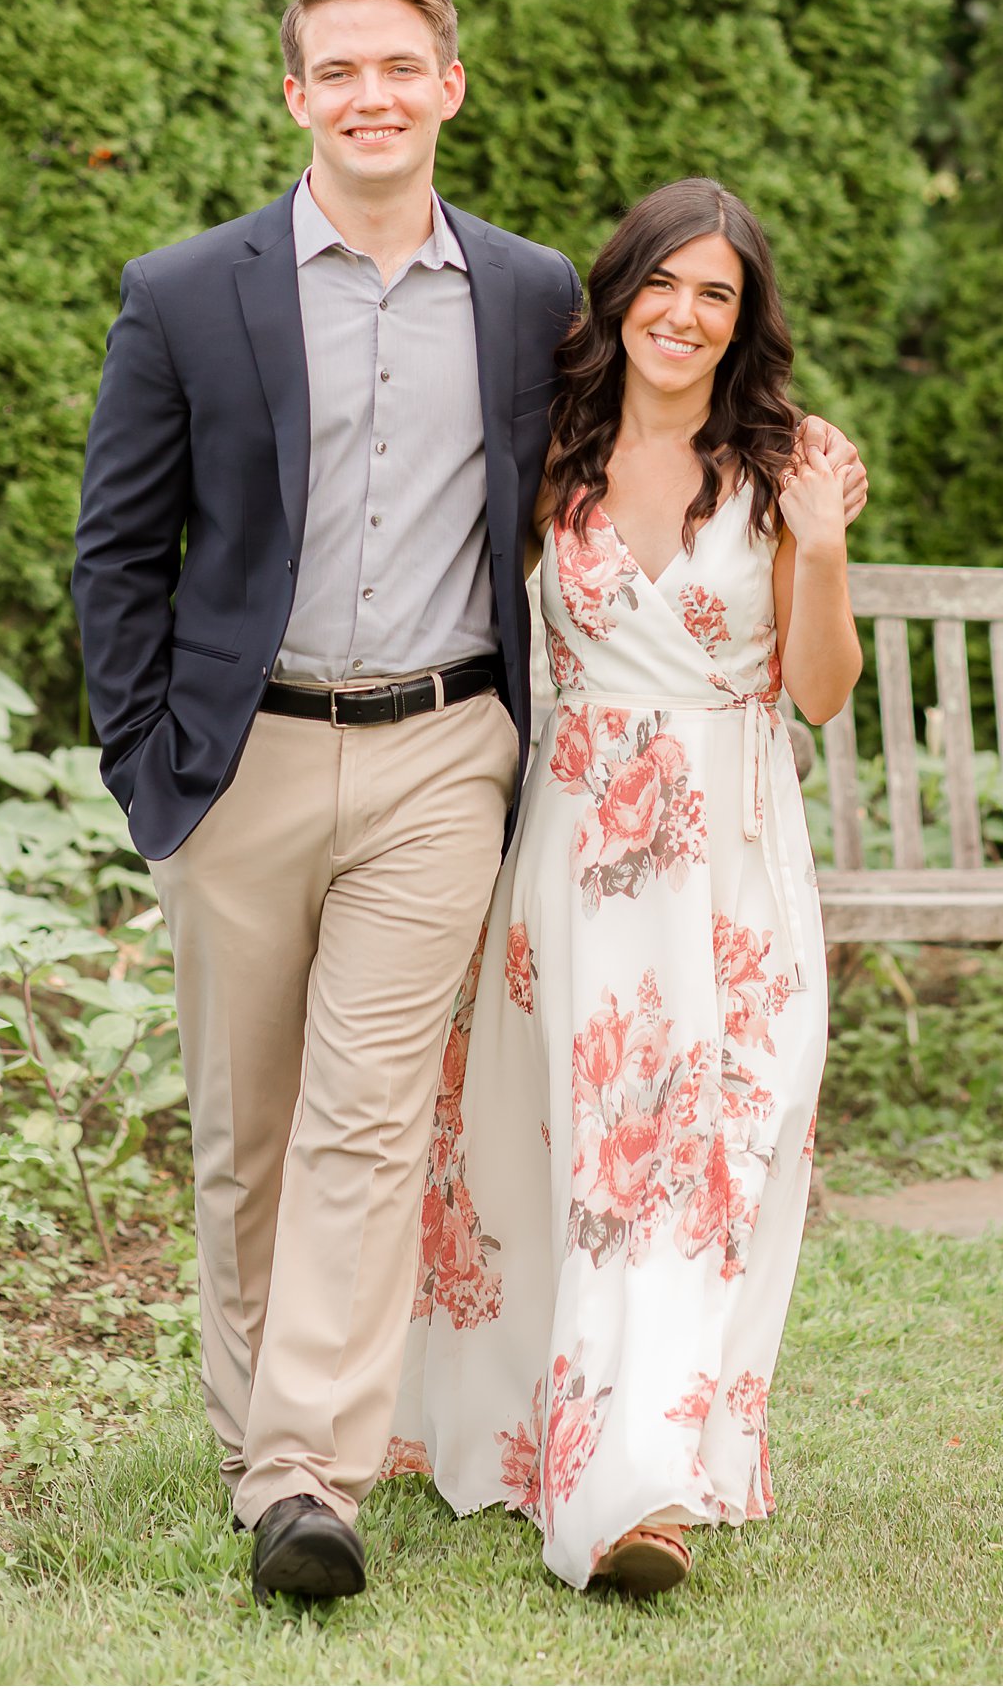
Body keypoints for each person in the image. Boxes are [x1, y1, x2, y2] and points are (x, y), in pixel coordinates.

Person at [72, 0, 866, 1604]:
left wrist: (807, 501)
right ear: (297, 94)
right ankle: (250, 1438)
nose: (371, 94)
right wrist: (155, 766)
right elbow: (116, 553)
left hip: (445, 752)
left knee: (370, 1119)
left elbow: (659, 438)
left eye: (400, 66)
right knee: (247, 1130)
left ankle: (311, 1476)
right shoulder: (184, 291)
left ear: (449, 85)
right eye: (337, 69)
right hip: (243, 760)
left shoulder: (521, 298)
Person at [391, 177, 860, 1594]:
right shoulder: (553, 457)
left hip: (729, 857)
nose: (685, 312)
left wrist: (823, 544)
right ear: (621, 292)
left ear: (745, 320)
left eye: (717, 292)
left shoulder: (790, 464)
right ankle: (585, 1470)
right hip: (579, 856)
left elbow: (824, 696)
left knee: (698, 1162)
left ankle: (642, 1475)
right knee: (575, 1156)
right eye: (665, 281)